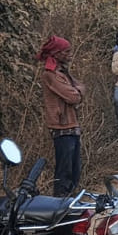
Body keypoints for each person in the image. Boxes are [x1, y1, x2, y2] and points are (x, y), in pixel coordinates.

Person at [37, 35, 87, 197]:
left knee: (74, 170)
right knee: (64, 171)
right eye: (66, 52)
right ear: (56, 54)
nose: (69, 55)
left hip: (71, 126)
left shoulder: (63, 73)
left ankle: (69, 201)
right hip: (61, 126)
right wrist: (77, 92)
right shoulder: (50, 75)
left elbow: (80, 89)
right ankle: (60, 202)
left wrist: (76, 91)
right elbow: (73, 96)